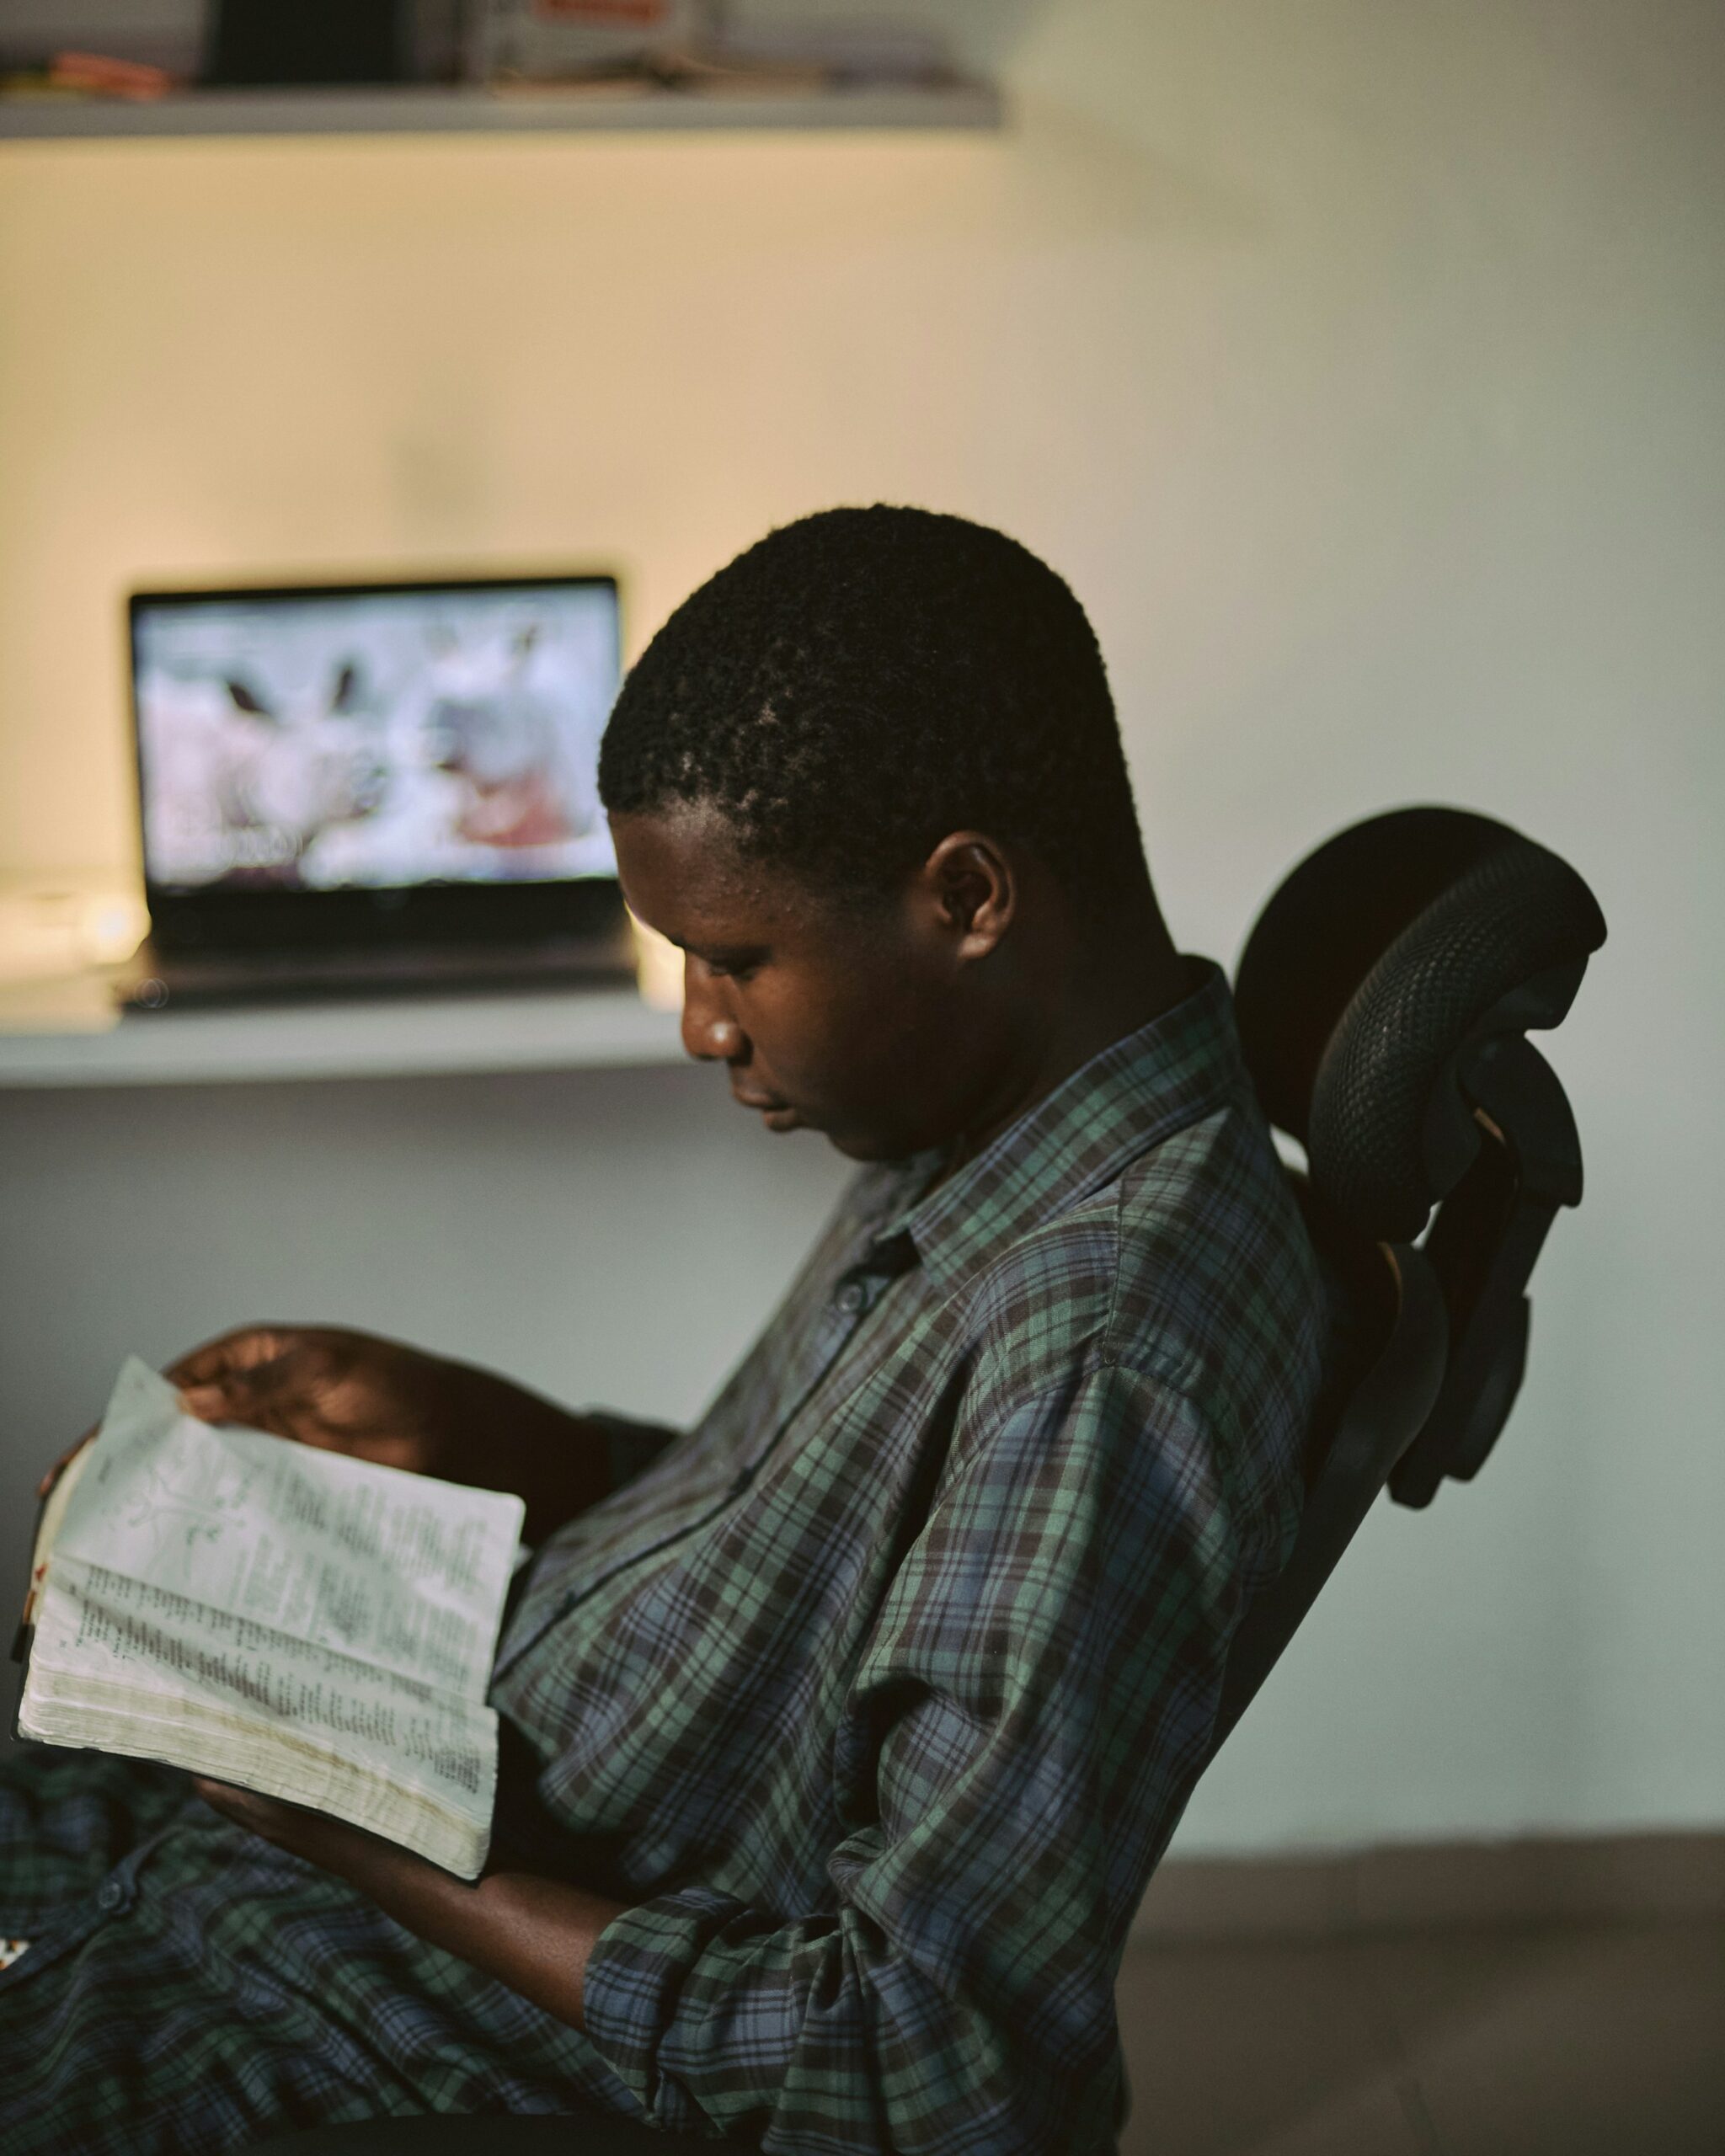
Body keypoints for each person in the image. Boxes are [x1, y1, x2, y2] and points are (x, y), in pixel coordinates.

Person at [0, 507, 1327, 2155]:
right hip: (329, 1849)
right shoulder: (994, 1130)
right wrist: (496, 1435)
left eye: (737, 956)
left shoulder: (1099, 1340)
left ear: (966, 894)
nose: (702, 1022)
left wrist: (350, 1816)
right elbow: (818, 1580)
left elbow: (933, 2067)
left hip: (355, 1993)